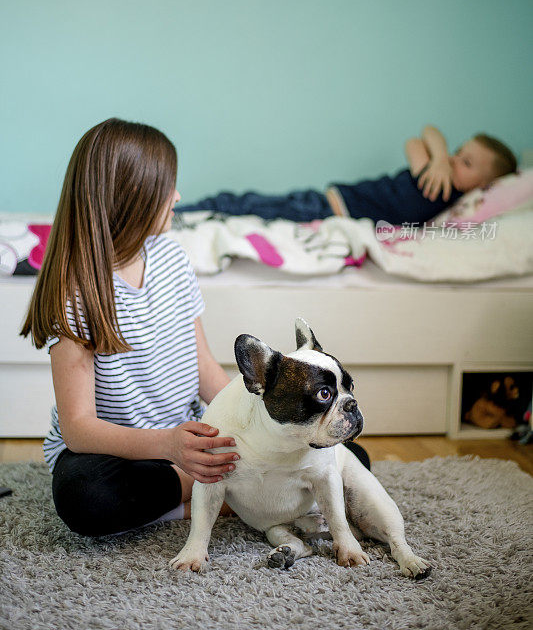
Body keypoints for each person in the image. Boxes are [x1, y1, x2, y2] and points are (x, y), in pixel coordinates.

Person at [21, 118, 370, 538]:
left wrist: (249, 420)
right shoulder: (73, 293)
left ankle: (210, 489)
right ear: (131, 197)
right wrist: (171, 448)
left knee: (350, 457)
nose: (178, 196)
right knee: (85, 496)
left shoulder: (172, 258)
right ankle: (220, 494)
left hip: (185, 435)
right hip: (119, 451)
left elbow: (201, 362)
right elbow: (79, 429)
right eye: (168, 188)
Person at [177, 127, 518, 225]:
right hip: (323, 202)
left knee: (247, 207)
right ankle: (185, 211)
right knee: (242, 203)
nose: (457, 161)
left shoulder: (452, 199)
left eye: (467, 164)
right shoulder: (435, 172)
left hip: (324, 212)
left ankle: (188, 214)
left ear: (484, 186)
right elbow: (420, 136)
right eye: (460, 153)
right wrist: (441, 158)